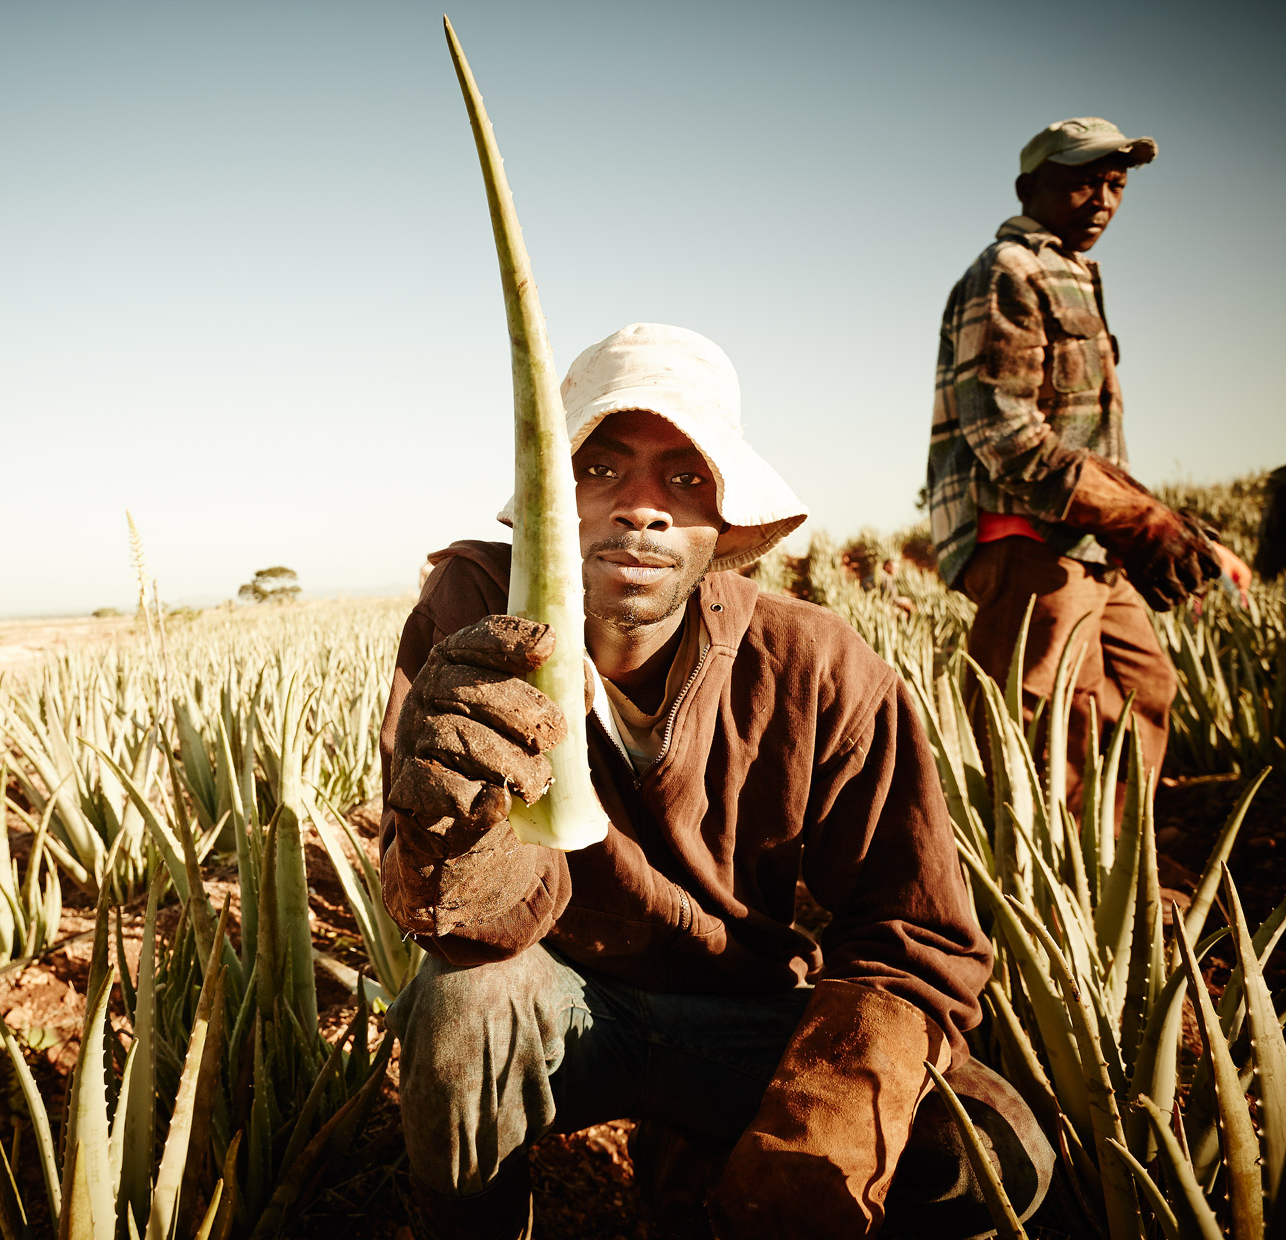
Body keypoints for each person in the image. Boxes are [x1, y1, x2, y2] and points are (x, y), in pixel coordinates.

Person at [383, 324, 1052, 1240]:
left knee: (989, 1144)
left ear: (722, 520)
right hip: (559, 1004)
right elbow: (461, 922)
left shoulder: (814, 660)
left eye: (685, 478)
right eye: (601, 469)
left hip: (744, 1009)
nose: (643, 509)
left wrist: (816, 1139)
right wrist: (458, 840)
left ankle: (697, 1157)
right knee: (461, 1009)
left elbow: (916, 940)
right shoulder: (475, 621)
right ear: (553, 498)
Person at [924, 117, 1249, 794]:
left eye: (1115, 184)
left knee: (1142, 691)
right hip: (1029, 539)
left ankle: (1118, 879)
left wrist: (1155, 522)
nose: (1102, 198)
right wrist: (1140, 522)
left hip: (1091, 542)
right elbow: (1005, 435)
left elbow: (1086, 441)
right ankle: (1049, 888)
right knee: (1051, 722)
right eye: (1079, 182)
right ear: (1028, 188)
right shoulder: (1007, 272)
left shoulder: (1071, 274)